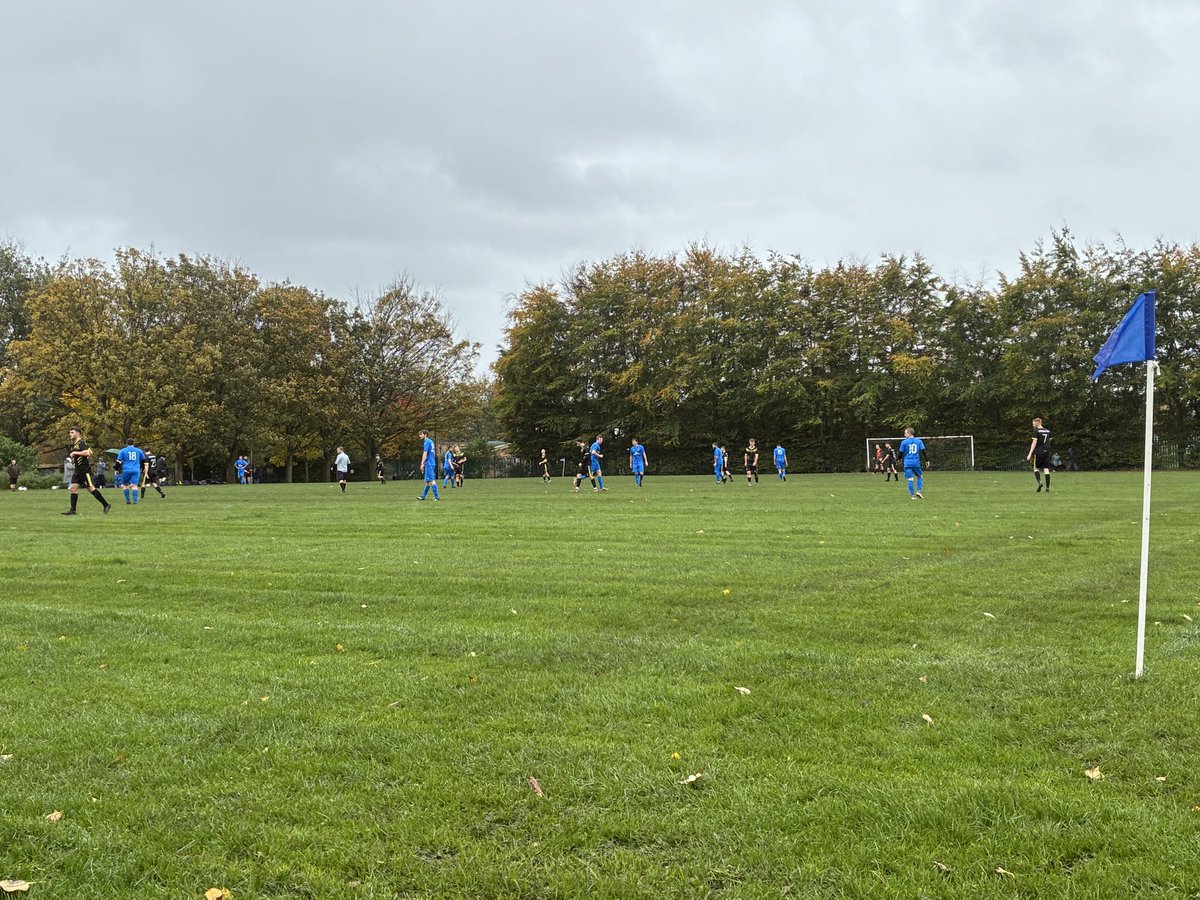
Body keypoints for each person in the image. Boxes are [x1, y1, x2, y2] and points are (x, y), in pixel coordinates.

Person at [62, 426, 112, 515]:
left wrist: (75, 453)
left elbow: (87, 452)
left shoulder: (81, 442)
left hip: (85, 471)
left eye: (72, 432)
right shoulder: (76, 444)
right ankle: (72, 510)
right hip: (77, 471)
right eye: (70, 433)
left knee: (90, 488)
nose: (70, 434)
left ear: (78, 433)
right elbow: (90, 452)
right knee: (73, 489)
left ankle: (106, 504)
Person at [898, 427, 928, 499]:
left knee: (910, 479)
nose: (904, 434)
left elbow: (900, 452)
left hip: (907, 463)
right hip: (916, 462)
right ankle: (918, 491)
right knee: (919, 476)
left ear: (909, 433)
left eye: (905, 433)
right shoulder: (918, 441)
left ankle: (912, 496)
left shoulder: (904, 442)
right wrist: (927, 460)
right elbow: (923, 451)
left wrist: (899, 459)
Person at [115, 438, 147, 505]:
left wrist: (116, 469)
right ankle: (135, 501)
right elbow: (144, 460)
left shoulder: (122, 451)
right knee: (134, 485)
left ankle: (128, 500)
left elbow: (118, 462)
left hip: (126, 470)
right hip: (136, 470)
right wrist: (142, 467)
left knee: (125, 485)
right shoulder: (138, 450)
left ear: (126, 443)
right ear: (133, 443)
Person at [1027, 417, 1052, 493]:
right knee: (1046, 469)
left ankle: (1040, 482)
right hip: (1047, 451)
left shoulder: (1036, 431)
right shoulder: (1048, 431)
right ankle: (1047, 488)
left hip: (1039, 452)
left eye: (1033, 423)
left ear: (1038, 422)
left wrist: (1030, 453)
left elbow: (1034, 442)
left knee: (1036, 469)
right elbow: (1049, 440)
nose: (1033, 425)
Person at [417, 429, 440, 501]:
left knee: (432, 480)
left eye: (421, 434)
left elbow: (425, 453)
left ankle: (437, 497)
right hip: (431, 462)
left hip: (429, 463)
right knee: (428, 481)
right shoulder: (431, 441)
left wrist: (422, 464)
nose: (419, 436)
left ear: (425, 434)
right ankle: (423, 496)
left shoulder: (426, 442)